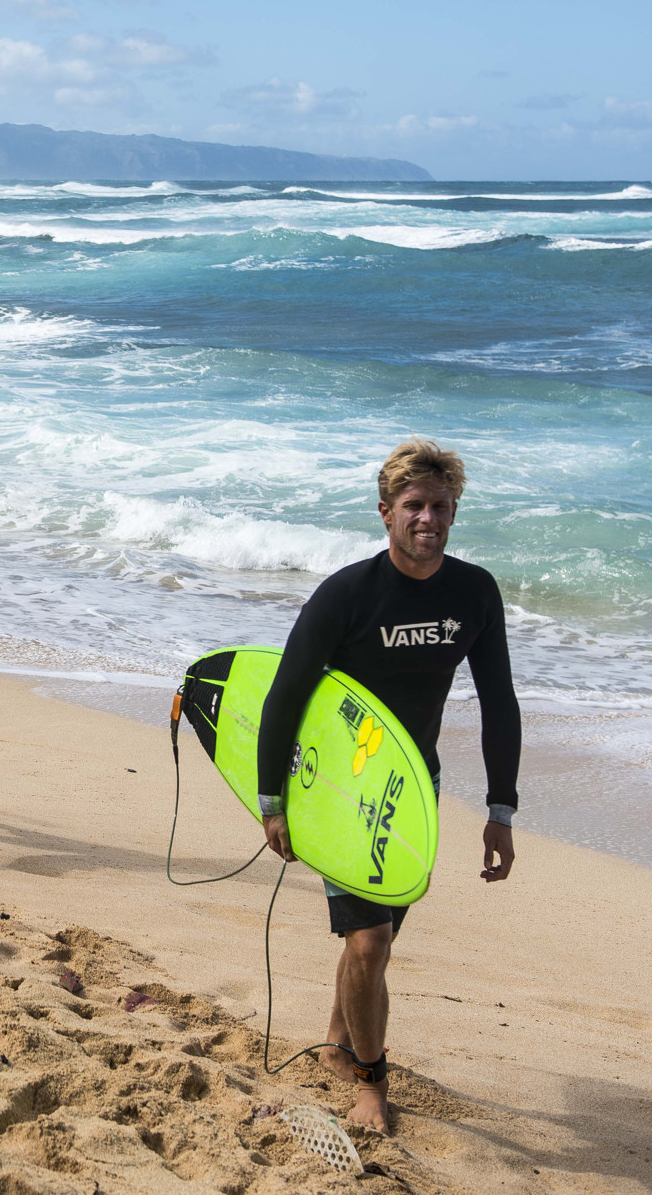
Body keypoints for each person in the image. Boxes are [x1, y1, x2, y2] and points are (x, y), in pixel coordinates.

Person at [255, 438, 521, 1135]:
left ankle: (342, 1041)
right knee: (371, 941)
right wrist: (272, 799)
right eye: (413, 505)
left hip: (411, 789)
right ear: (385, 512)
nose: (427, 517)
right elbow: (285, 693)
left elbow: (499, 699)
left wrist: (501, 808)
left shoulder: (474, 592)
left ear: (454, 511)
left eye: (439, 505)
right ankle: (371, 1083)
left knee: (374, 938)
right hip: (335, 789)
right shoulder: (348, 593)